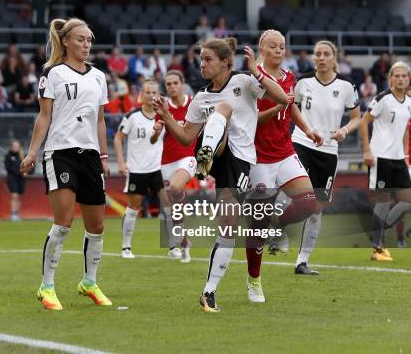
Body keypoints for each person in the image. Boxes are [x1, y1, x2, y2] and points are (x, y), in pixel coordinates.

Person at [151, 37, 288, 313]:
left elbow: (283, 98)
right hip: (217, 152)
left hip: (240, 162)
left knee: (227, 228)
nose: (202, 64)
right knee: (221, 110)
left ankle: (209, 292)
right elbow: (186, 136)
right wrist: (166, 117)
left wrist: (257, 71)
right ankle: (206, 156)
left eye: (207, 59)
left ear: (225, 61)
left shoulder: (244, 81)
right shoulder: (201, 98)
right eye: (201, 59)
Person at [20, 18, 111, 311]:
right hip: (60, 153)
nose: (86, 45)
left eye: (89, 40)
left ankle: (89, 282)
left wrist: (104, 156)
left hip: (91, 156)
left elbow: (99, 120)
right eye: (81, 39)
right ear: (67, 42)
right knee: (63, 223)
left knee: (97, 226)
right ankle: (47, 287)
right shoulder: (52, 73)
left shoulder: (99, 76)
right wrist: (32, 152)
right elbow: (44, 116)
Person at [244, 30, 322, 300]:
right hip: (259, 159)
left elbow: (292, 109)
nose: (279, 50)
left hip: (285, 152)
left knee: (309, 202)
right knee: (257, 223)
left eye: (282, 47)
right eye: (273, 46)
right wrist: (278, 107)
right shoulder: (251, 80)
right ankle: (254, 281)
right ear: (262, 49)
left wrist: (308, 130)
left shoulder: (289, 77)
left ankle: (278, 228)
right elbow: (253, 121)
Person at [290, 41, 361, 273]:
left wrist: (344, 131)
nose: (321, 58)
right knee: (296, 191)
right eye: (317, 54)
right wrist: (305, 130)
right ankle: (274, 229)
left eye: (326, 54)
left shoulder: (347, 85)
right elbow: (293, 109)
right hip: (301, 142)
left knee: (317, 208)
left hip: (329, 151)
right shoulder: (303, 81)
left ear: (334, 58)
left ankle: (302, 261)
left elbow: (356, 118)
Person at [360, 61, 411, 262]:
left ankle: (378, 229)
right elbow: (364, 121)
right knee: (383, 202)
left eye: (404, 76)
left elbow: (406, 129)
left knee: (407, 199)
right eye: (396, 75)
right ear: (390, 78)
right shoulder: (382, 99)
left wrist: (405, 154)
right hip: (380, 157)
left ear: (408, 79)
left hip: (398, 159)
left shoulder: (409, 101)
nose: (400, 79)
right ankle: (377, 247)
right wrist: (366, 151)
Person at [114, 80, 166, 258]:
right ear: (141, 96)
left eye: (155, 92)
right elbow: (118, 138)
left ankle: (174, 247)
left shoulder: (164, 115)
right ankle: (126, 247)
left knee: (168, 204)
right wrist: (121, 163)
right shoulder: (132, 116)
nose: (152, 96)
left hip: (158, 167)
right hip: (137, 169)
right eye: (148, 92)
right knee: (134, 207)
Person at [151, 70, 198, 262]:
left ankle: (183, 237)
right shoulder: (163, 107)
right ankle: (185, 242)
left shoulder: (194, 103)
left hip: (188, 157)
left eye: (174, 83)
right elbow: (154, 140)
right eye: (168, 84)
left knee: (177, 188)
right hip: (167, 161)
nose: (171, 87)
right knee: (172, 210)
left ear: (182, 83)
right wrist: (155, 131)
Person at [5, 140, 26, 221]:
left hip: (21, 179)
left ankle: (17, 214)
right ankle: (13, 214)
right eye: (14, 146)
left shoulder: (23, 155)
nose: (16, 148)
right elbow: (8, 168)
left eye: (17, 146)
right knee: (14, 196)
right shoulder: (8, 156)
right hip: (12, 178)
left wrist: (27, 172)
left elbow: (29, 166)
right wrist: (20, 172)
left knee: (19, 197)